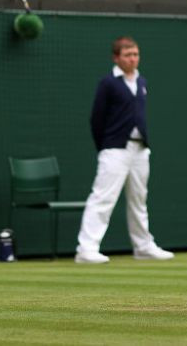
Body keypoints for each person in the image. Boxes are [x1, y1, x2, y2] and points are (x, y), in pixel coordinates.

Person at [75, 37, 175, 264]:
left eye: (136, 54)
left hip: (140, 151)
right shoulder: (108, 83)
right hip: (114, 150)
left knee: (139, 200)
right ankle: (86, 249)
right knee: (102, 198)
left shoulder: (141, 82)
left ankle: (143, 246)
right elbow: (96, 120)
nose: (133, 59)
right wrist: (105, 147)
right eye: (128, 55)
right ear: (116, 58)